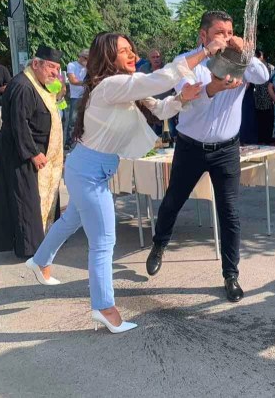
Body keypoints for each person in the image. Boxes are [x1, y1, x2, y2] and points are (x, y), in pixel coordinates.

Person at [26, 33, 216, 333]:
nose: (130, 55)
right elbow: (161, 78)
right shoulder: (110, 86)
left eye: (131, 49)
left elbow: (161, 109)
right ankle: (104, 307)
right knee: (103, 241)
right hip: (87, 172)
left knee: (71, 220)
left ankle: (39, 261)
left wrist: (182, 98)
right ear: (108, 58)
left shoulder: (126, 88)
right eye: (122, 51)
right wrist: (205, 52)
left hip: (89, 169)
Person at [146, 11, 270, 304]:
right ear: (204, 36)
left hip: (226, 149)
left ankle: (231, 275)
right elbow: (188, 102)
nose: (227, 37)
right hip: (191, 146)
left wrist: (246, 53)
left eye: (230, 31)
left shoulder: (237, 58)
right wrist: (213, 88)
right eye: (220, 32)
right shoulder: (187, 62)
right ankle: (159, 244)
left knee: (229, 212)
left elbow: (263, 77)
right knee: (173, 200)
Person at [0, 46, 64, 258]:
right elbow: (18, 123)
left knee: (36, 198)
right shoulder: (23, 85)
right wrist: (32, 152)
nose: (54, 73)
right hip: (19, 151)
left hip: (34, 148)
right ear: (36, 64)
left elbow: (53, 101)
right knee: (25, 200)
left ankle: (43, 238)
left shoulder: (39, 83)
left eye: (57, 68)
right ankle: (30, 248)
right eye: (51, 67)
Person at [138, 48, 177, 140]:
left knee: (171, 133)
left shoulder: (167, 69)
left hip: (166, 105)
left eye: (158, 57)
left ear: (161, 57)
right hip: (150, 107)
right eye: (153, 57)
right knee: (154, 135)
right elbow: (139, 85)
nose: (156, 59)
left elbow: (175, 85)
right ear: (149, 58)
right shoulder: (144, 69)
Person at [65, 49, 89, 149]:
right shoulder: (72, 65)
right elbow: (72, 80)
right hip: (76, 97)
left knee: (86, 120)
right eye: (87, 59)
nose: (88, 61)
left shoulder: (88, 67)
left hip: (86, 96)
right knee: (72, 120)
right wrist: (86, 83)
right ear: (82, 57)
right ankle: (68, 141)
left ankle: (82, 141)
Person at [253, 49, 275, 144]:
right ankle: (261, 139)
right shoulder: (254, 68)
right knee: (259, 120)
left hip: (269, 99)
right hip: (257, 99)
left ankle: (268, 140)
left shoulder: (271, 68)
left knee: (268, 120)